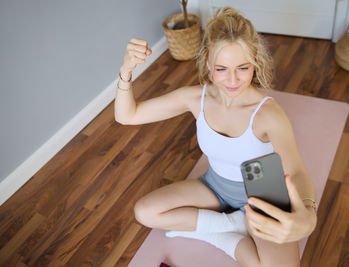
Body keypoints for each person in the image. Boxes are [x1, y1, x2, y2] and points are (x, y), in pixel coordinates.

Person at [115, 7, 317, 266]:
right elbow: (127, 115)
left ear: (254, 62)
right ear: (208, 65)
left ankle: (221, 229)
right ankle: (228, 224)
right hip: (215, 187)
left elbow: (297, 171)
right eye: (222, 69)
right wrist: (126, 70)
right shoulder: (194, 98)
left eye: (242, 68)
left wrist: (308, 216)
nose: (232, 80)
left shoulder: (269, 114)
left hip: (263, 195)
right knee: (145, 211)